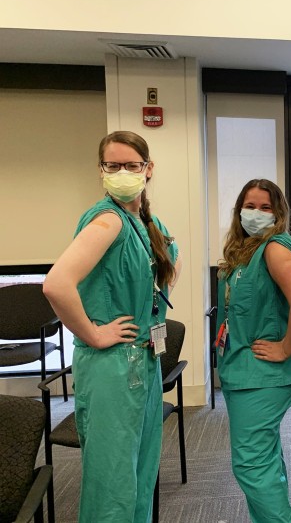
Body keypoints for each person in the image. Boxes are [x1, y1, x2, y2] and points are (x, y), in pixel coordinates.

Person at [43, 131, 181, 523]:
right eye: (113, 165)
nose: (122, 172)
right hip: (113, 367)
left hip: (143, 361)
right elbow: (56, 283)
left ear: (148, 169)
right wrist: (92, 332)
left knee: (140, 475)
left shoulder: (146, 221)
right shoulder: (108, 220)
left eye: (131, 165)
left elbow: (168, 265)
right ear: (101, 171)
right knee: (113, 486)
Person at [215, 179, 291, 522]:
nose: (255, 213)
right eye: (250, 206)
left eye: (265, 207)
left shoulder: (274, 248)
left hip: (261, 376)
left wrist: (286, 348)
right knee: (264, 461)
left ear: (279, 214)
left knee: (250, 465)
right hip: (243, 371)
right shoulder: (246, 250)